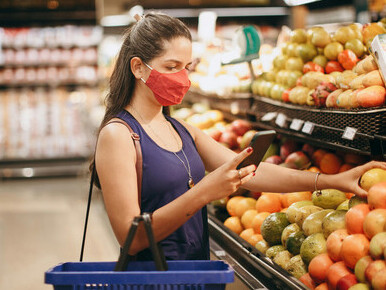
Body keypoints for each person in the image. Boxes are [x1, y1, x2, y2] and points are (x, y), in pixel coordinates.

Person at [93, 12, 386, 261]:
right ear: (138, 67)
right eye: (172, 67)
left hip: (196, 273)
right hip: (153, 279)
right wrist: (206, 191)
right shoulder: (119, 135)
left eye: (187, 67)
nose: (183, 77)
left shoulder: (181, 130)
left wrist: (330, 181)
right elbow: (131, 237)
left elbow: (253, 173)